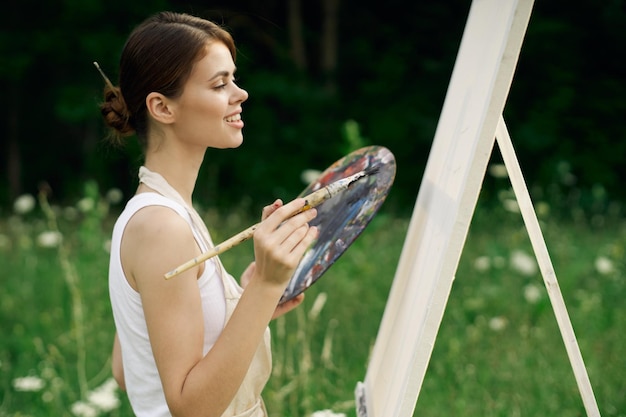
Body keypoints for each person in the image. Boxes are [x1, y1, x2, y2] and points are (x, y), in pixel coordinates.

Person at [98, 11, 318, 417]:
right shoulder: (161, 227)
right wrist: (263, 287)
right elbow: (191, 409)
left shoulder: (158, 213)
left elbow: (128, 370)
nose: (240, 94)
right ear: (163, 107)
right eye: (220, 84)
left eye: (234, 79)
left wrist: (250, 308)